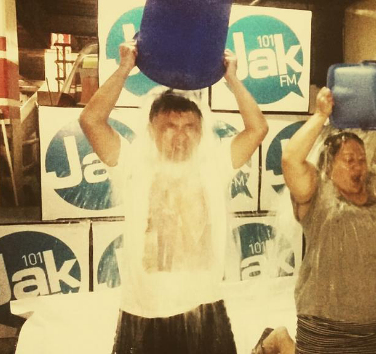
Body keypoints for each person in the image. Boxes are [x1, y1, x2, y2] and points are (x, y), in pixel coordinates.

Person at [80, 41, 268, 354]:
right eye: (169, 126)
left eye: (189, 127)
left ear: (201, 131)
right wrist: (125, 68)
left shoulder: (214, 166)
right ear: (152, 129)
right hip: (145, 311)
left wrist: (232, 79)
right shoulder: (132, 165)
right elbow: (91, 121)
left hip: (205, 307)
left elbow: (257, 128)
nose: (180, 135)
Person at [252, 87, 376, 354]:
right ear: (329, 166)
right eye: (349, 160)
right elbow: (290, 159)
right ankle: (279, 340)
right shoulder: (314, 190)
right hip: (326, 323)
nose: (358, 166)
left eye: (361, 159)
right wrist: (321, 115)